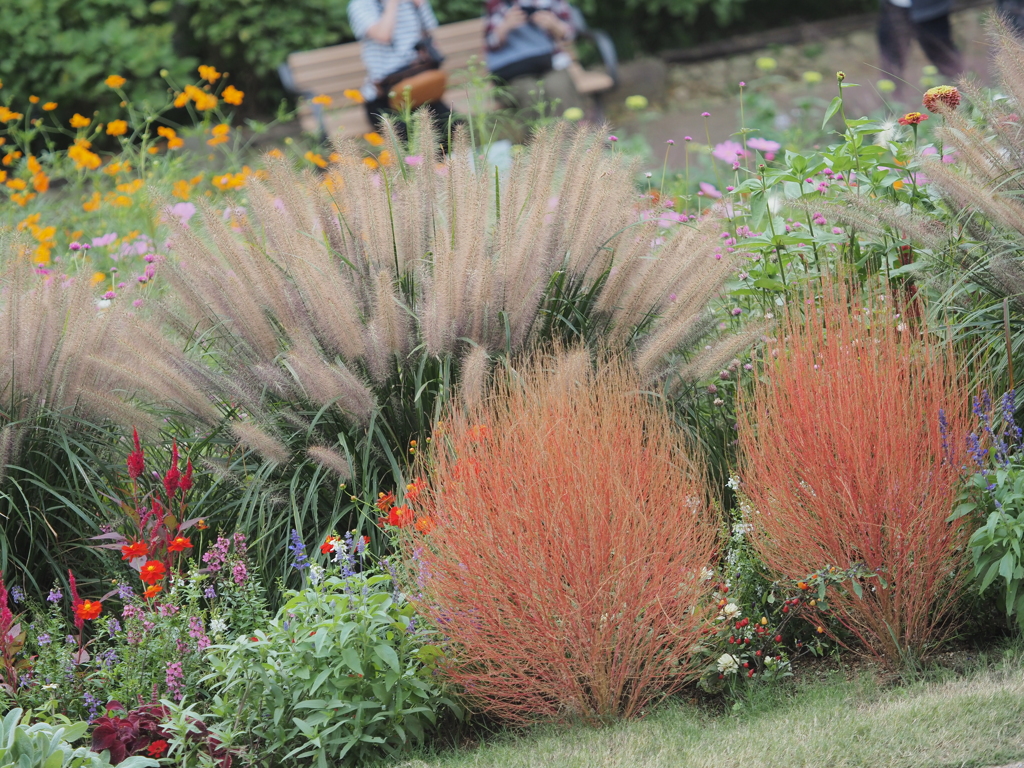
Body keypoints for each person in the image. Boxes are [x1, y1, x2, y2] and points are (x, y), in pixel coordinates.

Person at [348, 0, 453, 139]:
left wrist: (418, 5)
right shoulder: (361, 5)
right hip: (385, 97)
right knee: (406, 136)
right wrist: (392, 4)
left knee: (452, 125)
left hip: (418, 88)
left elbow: (429, 29)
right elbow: (383, 35)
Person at [484, 0, 586, 115]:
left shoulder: (553, 2)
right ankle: (538, 133)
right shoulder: (499, 4)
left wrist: (554, 25)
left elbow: (569, 34)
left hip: (552, 64)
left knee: (558, 87)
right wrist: (506, 25)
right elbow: (491, 42)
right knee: (530, 92)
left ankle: (569, 132)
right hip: (515, 73)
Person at [877, 0, 964, 97]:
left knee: (945, 57)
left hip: (929, 7)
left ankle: (966, 98)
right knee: (890, 66)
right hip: (894, 6)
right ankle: (893, 107)